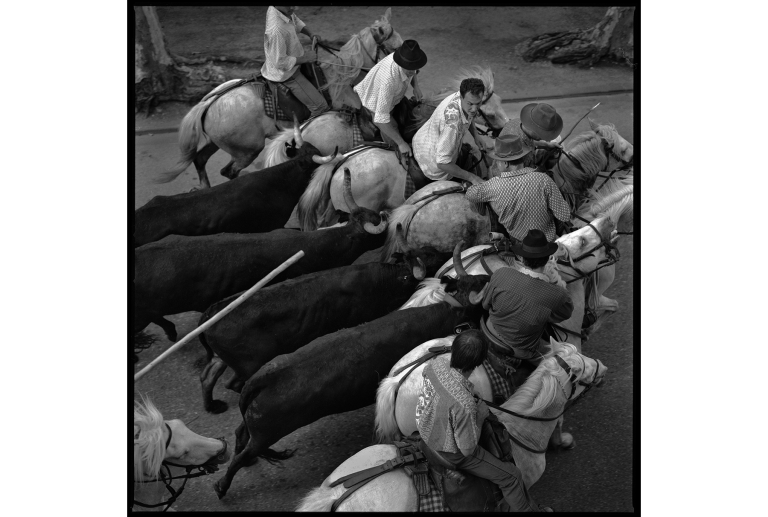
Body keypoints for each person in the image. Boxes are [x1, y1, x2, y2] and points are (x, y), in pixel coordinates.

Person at [415, 330, 552, 512]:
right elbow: (467, 449)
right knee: (511, 477)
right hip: (451, 454)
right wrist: (479, 417)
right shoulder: (464, 404)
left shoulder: (435, 365)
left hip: (424, 431)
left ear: (454, 350)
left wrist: (468, 393)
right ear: (478, 363)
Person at [480, 229, 573, 368]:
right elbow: (564, 315)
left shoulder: (501, 273)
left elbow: (485, 305)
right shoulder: (558, 294)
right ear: (548, 259)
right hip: (520, 349)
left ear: (522, 259)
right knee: (565, 363)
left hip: (488, 329)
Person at [465, 133, 573, 242]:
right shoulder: (544, 179)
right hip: (548, 241)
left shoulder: (493, 185)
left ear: (505, 163)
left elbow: (470, 194)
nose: (496, 164)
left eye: (497, 161)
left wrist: (475, 181)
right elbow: (564, 215)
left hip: (521, 243)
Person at [353, 39, 427, 157]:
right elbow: (380, 119)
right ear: (401, 64)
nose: (413, 72)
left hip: (394, 96)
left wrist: (416, 87)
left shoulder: (404, 59)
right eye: (410, 69)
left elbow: (414, 71)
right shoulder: (388, 82)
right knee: (396, 142)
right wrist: (401, 143)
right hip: (376, 104)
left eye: (414, 67)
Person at [411, 77, 487, 186]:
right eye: (470, 104)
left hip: (425, 138)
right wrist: (472, 177)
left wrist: (476, 135)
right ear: (461, 97)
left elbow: (470, 115)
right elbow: (442, 163)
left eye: (478, 103)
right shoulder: (452, 126)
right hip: (432, 162)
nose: (475, 109)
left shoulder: (461, 95)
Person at [261, 6, 329, 118]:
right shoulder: (276, 30)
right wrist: (306, 58)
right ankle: (303, 129)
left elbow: (295, 20)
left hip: (294, 61)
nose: (294, 7)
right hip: (287, 74)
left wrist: (310, 34)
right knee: (321, 107)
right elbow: (280, 62)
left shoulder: (282, 10)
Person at [495, 103, 564, 172]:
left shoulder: (518, 122)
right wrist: (539, 172)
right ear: (533, 130)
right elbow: (517, 174)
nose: (544, 138)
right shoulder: (516, 149)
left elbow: (529, 141)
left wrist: (546, 145)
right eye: (542, 134)